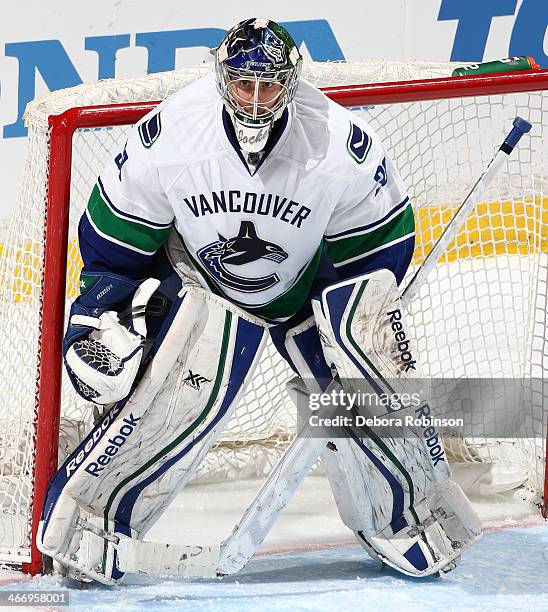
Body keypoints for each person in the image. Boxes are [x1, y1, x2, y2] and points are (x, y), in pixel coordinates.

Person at [37, 18, 479, 585]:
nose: (253, 98)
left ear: (291, 83)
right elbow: (115, 242)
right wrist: (97, 315)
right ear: (222, 78)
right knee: (177, 404)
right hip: (203, 283)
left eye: (268, 85)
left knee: (364, 392)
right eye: (242, 84)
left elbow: (380, 244)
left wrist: (360, 323)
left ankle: (406, 518)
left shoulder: (340, 144)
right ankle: (93, 521)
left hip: (308, 287)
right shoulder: (171, 133)